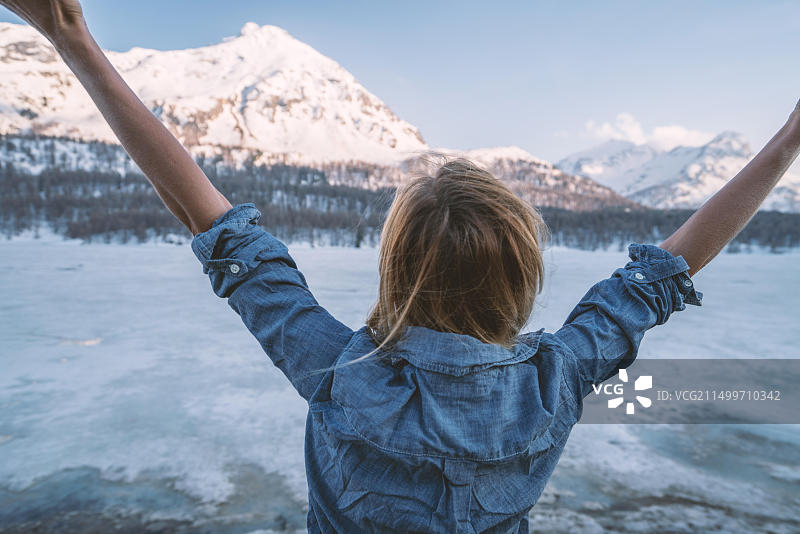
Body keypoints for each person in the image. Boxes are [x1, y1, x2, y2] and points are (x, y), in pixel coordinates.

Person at [3, 1, 799, 532]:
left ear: (397, 266)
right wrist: (791, 139)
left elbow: (213, 222)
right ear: (523, 275)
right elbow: (665, 270)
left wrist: (71, 39)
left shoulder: (342, 372)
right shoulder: (553, 382)